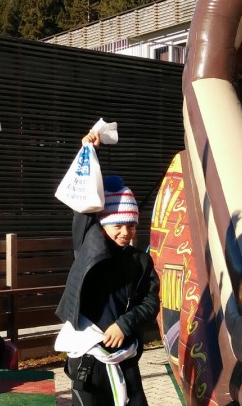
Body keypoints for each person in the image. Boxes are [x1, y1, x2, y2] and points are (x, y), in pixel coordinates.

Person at [55, 130, 161, 406]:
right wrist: (90, 154)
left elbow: (151, 303)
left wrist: (124, 324)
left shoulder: (140, 260)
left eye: (132, 225)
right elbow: (85, 208)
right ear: (101, 226)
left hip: (123, 350)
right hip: (88, 356)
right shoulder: (88, 246)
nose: (126, 232)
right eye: (118, 225)